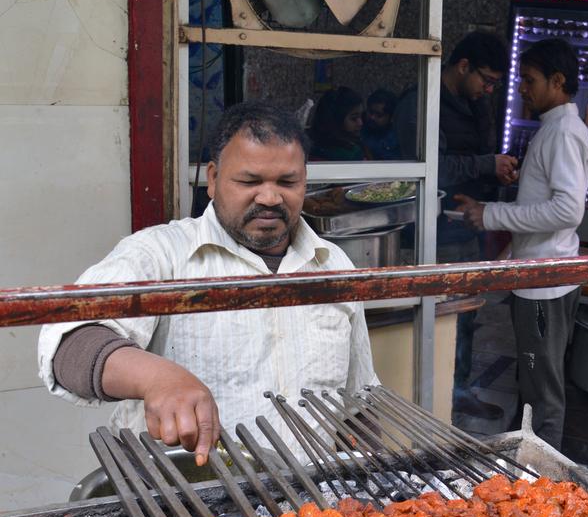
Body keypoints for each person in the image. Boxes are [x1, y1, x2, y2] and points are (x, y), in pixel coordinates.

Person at [38, 101, 379, 464]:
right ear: (213, 179)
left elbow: (359, 401)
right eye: (249, 181)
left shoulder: (333, 266)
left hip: (311, 507)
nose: (269, 197)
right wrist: (157, 378)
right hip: (187, 503)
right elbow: (70, 345)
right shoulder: (159, 255)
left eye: (287, 182)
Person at [454, 38, 588, 449]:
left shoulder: (564, 132)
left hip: (545, 284)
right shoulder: (555, 128)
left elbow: (568, 211)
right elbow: (546, 207)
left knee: (542, 388)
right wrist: (508, 251)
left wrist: (492, 215)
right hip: (538, 273)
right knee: (532, 378)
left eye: (529, 80)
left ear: (558, 80)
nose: (522, 89)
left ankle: (540, 478)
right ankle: (521, 455)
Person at [395, 31, 518, 420]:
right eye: (487, 80)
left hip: (469, 227)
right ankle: (424, 400)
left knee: (466, 315)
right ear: (463, 66)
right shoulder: (421, 104)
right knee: (437, 316)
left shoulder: (475, 102)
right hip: (433, 234)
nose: (489, 90)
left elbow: (478, 153)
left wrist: (497, 178)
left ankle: (458, 391)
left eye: (496, 84)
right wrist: (486, 165)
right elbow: (430, 169)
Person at [309, 86, 365, 161]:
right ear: (335, 121)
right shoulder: (352, 154)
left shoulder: (307, 147)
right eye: (354, 118)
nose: (360, 123)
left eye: (362, 116)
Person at [362, 88, 404, 160]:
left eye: (379, 115)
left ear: (391, 118)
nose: (372, 118)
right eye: (370, 112)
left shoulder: (397, 139)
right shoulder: (360, 129)